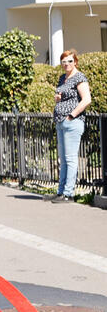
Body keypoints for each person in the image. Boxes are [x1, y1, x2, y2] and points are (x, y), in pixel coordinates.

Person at [51, 49, 92, 203]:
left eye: (69, 61)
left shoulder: (79, 77)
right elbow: (64, 97)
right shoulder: (63, 78)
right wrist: (58, 99)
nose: (66, 64)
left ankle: (69, 193)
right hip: (61, 122)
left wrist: (71, 115)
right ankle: (61, 192)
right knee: (63, 159)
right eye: (63, 61)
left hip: (72, 122)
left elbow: (86, 99)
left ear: (75, 62)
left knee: (70, 158)